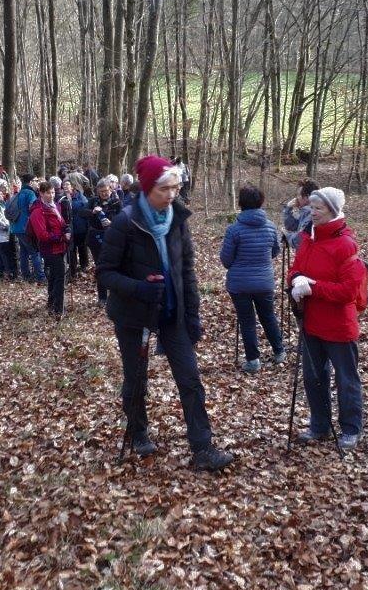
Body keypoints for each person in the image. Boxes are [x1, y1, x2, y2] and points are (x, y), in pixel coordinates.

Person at [97, 155, 234, 472]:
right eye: (165, 189)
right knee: (136, 378)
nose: (172, 194)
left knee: (190, 379)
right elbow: (105, 273)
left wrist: (193, 315)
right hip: (133, 315)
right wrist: (138, 288)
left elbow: (187, 271)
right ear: (147, 189)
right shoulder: (125, 222)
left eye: (176, 187)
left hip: (172, 312)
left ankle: (203, 449)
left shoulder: (177, 219)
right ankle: (138, 431)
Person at [287, 187, 368, 451]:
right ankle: (319, 425)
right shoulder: (307, 237)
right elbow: (295, 268)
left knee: (346, 379)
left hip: (339, 325)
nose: (312, 211)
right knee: (313, 377)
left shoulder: (346, 244)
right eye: (311, 206)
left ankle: (351, 429)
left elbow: (349, 291)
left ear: (333, 210)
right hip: (311, 322)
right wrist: (294, 280)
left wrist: (313, 287)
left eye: (318, 208)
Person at [220, 185, 286, 374]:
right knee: (268, 316)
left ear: (241, 203)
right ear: (261, 202)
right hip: (264, 281)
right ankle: (279, 351)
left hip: (239, 284)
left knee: (247, 320)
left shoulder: (234, 230)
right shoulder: (271, 226)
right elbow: (275, 251)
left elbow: (226, 259)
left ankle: (253, 360)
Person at [29, 181, 70, 316]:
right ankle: (59, 310)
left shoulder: (56, 206)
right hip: (50, 250)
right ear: (41, 193)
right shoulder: (37, 212)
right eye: (48, 193)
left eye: (53, 192)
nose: (51, 195)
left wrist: (67, 229)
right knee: (59, 278)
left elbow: (62, 223)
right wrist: (61, 236)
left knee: (54, 277)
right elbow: (42, 235)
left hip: (61, 247)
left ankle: (52, 304)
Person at [83, 178, 123, 306]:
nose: (104, 194)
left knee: (114, 266)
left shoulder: (116, 202)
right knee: (100, 267)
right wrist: (92, 212)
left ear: (111, 189)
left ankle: (115, 296)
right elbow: (81, 212)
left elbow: (124, 219)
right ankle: (102, 297)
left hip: (112, 238)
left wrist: (113, 223)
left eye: (106, 191)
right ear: (97, 192)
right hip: (96, 238)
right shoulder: (93, 201)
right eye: (101, 192)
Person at [9, 174, 45, 284]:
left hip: (16, 227)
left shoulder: (19, 193)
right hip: (26, 228)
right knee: (35, 252)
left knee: (24, 252)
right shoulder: (30, 193)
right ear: (30, 182)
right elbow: (33, 210)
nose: (37, 183)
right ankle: (41, 277)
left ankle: (26, 275)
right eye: (35, 180)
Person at [282, 178, 320, 251]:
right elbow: (292, 226)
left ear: (307, 197)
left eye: (298, 195)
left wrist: (287, 234)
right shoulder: (306, 212)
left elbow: (298, 242)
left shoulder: (312, 215)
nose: (296, 198)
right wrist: (288, 209)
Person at [67, 180, 90, 279]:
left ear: (73, 187)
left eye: (67, 185)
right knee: (71, 250)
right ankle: (73, 269)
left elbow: (85, 212)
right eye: (64, 184)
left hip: (80, 227)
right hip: (70, 229)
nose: (65, 186)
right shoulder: (63, 198)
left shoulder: (81, 198)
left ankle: (84, 265)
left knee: (82, 247)